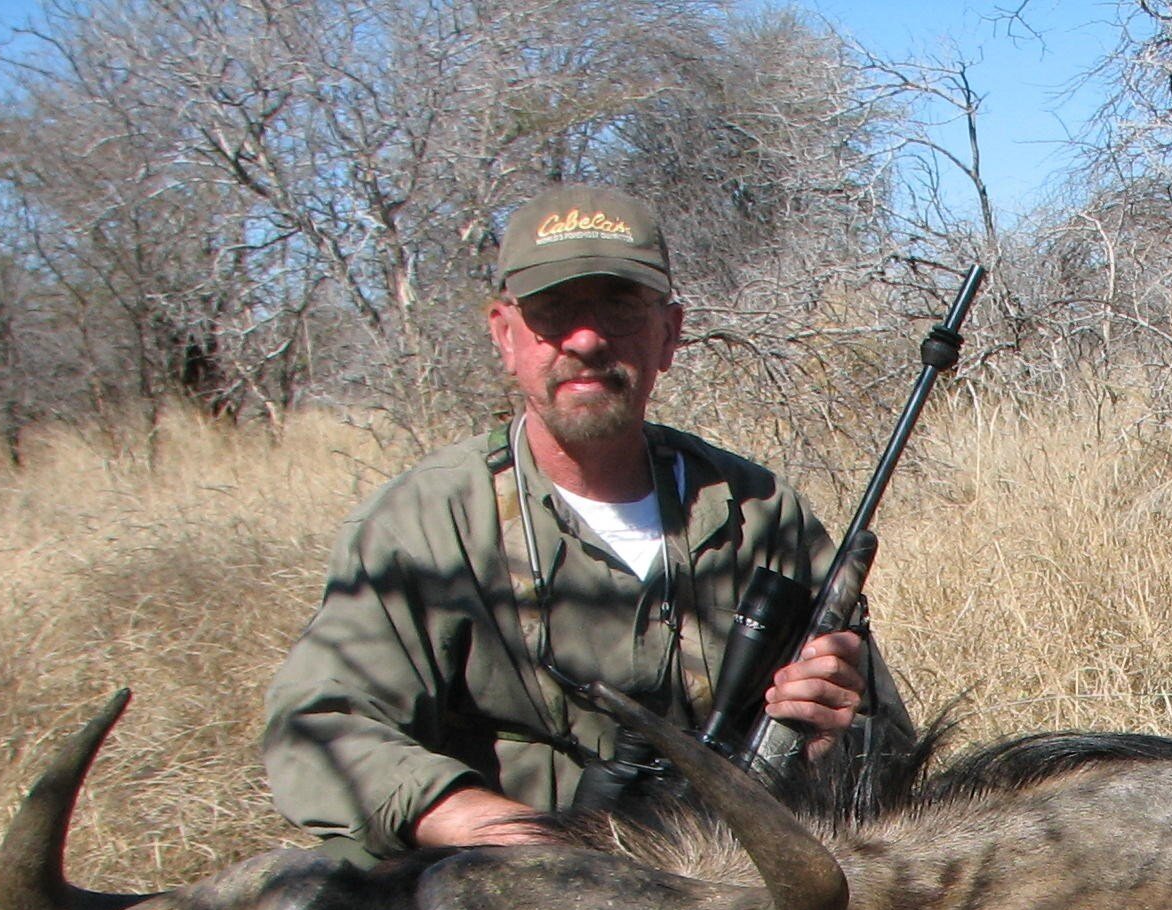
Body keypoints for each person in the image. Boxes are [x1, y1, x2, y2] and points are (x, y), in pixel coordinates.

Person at [263, 185, 894, 859]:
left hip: (728, 895)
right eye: (553, 313)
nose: (587, 340)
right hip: (504, 900)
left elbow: (887, 746)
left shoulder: (763, 514)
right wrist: (514, 838)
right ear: (505, 337)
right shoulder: (422, 523)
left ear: (669, 334)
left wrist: (832, 738)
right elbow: (320, 728)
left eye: (619, 309)